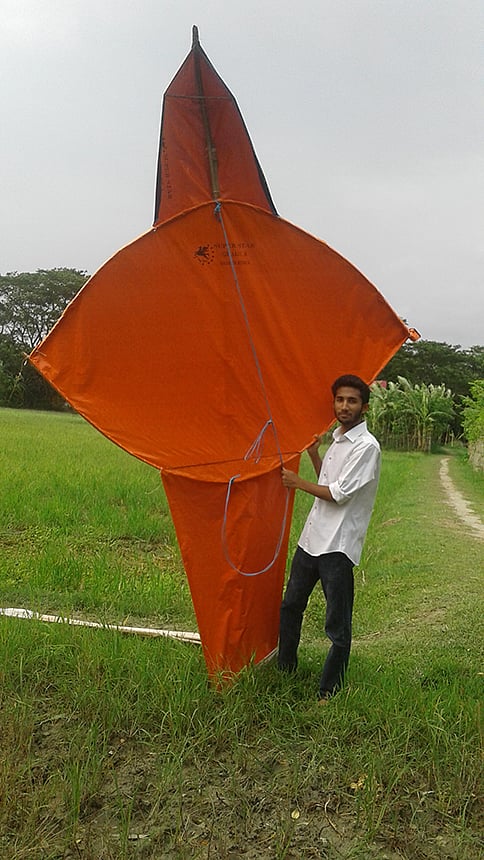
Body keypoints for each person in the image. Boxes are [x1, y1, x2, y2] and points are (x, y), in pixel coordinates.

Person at [278, 374, 381, 701]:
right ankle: (285, 670)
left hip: (337, 546)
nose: (344, 406)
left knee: (337, 624)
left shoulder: (367, 447)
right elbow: (328, 478)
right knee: (291, 606)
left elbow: (338, 494)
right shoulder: (338, 440)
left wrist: (296, 482)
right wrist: (313, 455)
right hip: (311, 540)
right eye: (340, 400)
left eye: (352, 401)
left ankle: (329, 690)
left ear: (364, 407)